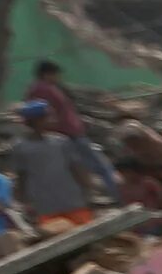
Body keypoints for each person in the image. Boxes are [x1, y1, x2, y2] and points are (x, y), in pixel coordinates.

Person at [22, 58, 117, 201]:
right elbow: (45, 117)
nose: (58, 77)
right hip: (69, 135)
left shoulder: (46, 88)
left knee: (82, 168)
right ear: (47, 74)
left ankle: (90, 197)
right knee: (100, 166)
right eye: (55, 74)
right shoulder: (42, 90)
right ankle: (117, 195)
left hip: (69, 133)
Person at [7, 102, 91, 229]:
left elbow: (76, 167)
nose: (52, 120)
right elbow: (21, 176)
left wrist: (87, 188)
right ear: (36, 121)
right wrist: (23, 201)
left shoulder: (61, 142)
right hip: (45, 206)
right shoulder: (21, 148)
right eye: (48, 117)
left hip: (72, 200)